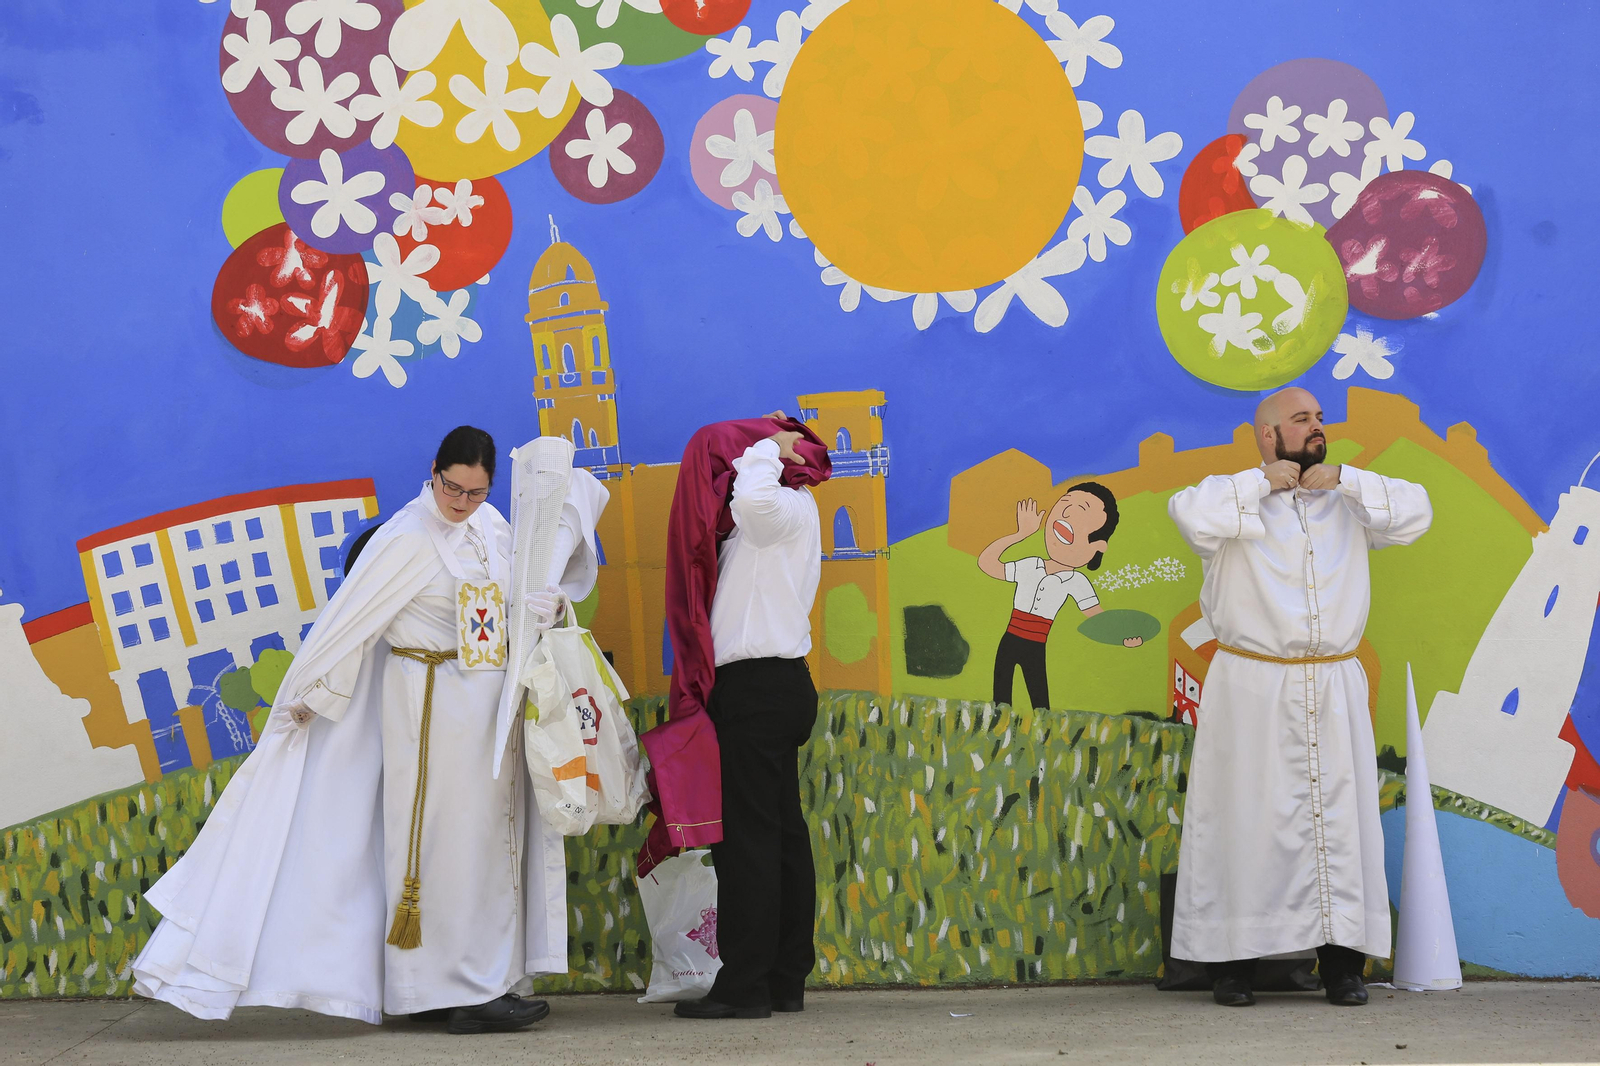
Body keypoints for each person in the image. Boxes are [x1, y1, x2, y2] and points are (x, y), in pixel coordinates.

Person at [132, 427, 607, 1034]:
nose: (461, 503)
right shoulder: (406, 537)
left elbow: (524, 594)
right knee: (441, 850)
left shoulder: (490, 526)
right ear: (432, 470)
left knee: (486, 848)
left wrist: (551, 607)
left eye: (476, 492)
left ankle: (476, 981)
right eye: (452, 488)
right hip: (429, 708)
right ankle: (450, 990)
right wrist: (308, 696)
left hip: (489, 714)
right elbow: (348, 622)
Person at [1166, 388, 1432, 1008]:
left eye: (1319, 418)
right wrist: (1261, 483)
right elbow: (1190, 514)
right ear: (1266, 434)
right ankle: (1231, 966)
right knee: (1244, 819)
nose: (1317, 427)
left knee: (1340, 823)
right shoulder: (1232, 497)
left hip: (1334, 682)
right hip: (1252, 685)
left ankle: (1343, 965)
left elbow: (1415, 514)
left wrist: (1347, 478)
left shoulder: (1350, 501)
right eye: (1301, 420)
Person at [673, 414, 824, 1020]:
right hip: (772, 686)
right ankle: (784, 978)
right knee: (782, 837)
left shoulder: (782, 506)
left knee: (750, 844)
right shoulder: (779, 520)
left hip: (759, 688)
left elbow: (755, 501)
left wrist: (765, 449)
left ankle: (745, 986)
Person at [978, 482, 1140, 711]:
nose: (1067, 513)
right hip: (1009, 639)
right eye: (1064, 504)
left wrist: (1123, 638)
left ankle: (1042, 740)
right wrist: (1020, 534)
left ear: (1098, 547)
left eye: (1082, 510)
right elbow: (986, 563)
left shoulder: (1076, 581)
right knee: (1000, 700)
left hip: (1036, 644)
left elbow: (1097, 617)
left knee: (1040, 703)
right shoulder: (1031, 565)